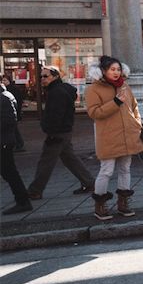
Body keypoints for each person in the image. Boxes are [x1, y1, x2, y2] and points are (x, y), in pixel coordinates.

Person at [85, 56, 143, 220]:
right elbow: (94, 112)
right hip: (108, 137)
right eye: (112, 69)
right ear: (103, 71)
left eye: (118, 69)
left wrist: (137, 124)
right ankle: (100, 205)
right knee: (107, 170)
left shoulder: (125, 86)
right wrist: (116, 102)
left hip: (128, 135)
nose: (116, 72)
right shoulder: (93, 89)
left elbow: (134, 107)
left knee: (125, 169)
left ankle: (123, 204)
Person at [25, 66, 94, 199]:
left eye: (46, 76)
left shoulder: (57, 92)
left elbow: (56, 114)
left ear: (55, 76)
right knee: (70, 158)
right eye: (41, 76)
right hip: (63, 131)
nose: (42, 79)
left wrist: (51, 131)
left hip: (58, 132)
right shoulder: (60, 90)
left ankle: (35, 190)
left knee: (46, 161)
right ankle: (89, 182)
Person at [1, 79, 32, 215]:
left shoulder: (3, 98)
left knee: (9, 172)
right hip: (4, 140)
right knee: (9, 172)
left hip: (3, 142)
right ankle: (23, 200)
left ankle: (23, 201)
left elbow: (9, 120)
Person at [1, 73, 25, 151]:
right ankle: (18, 144)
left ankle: (19, 144)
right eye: (3, 80)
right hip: (12, 115)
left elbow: (17, 102)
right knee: (14, 130)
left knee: (13, 130)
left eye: (5, 80)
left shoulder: (9, 91)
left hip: (11, 115)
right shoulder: (7, 91)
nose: (4, 81)